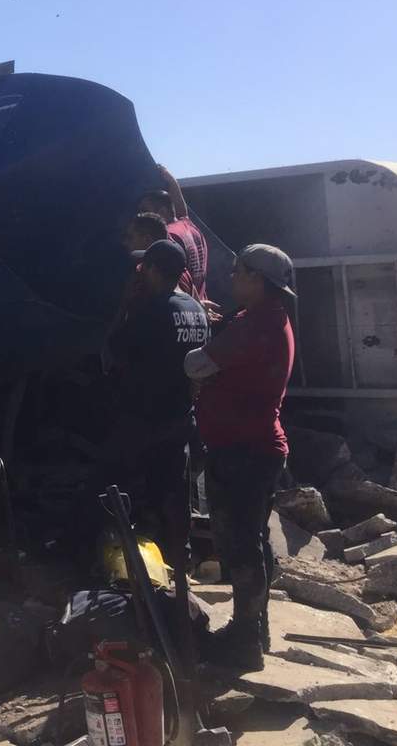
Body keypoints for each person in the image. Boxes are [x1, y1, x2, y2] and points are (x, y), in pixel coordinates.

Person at [184, 244, 296, 671]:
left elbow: (197, 366)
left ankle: (244, 644)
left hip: (243, 452)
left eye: (237, 272)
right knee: (253, 542)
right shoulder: (264, 319)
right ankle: (255, 629)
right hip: (256, 448)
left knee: (238, 546)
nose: (231, 278)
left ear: (258, 279)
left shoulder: (256, 327)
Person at [104, 240, 209, 561]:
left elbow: (114, 351)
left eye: (144, 267)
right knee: (175, 491)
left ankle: (134, 561)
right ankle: (181, 559)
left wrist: (124, 304)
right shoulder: (195, 310)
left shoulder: (150, 310)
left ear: (151, 269)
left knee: (128, 489)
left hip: (144, 417)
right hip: (181, 415)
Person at [140, 164, 209, 300]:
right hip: (199, 307)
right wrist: (173, 182)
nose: (141, 215)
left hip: (181, 303)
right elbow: (182, 211)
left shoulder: (169, 237)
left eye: (145, 210)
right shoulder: (189, 226)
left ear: (163, 212)